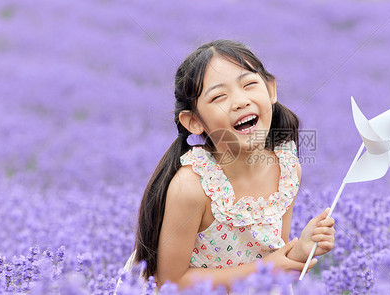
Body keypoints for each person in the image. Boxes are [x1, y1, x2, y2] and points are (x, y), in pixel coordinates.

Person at [123, 39, 335, 293]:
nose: (240, 101)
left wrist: (301, 248)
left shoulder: (287, 171)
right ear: (193, 121)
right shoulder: (192, 187)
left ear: (271, 90)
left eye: (249, 84)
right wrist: (265, 267)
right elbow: (172, 281)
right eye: (219, 96)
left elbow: (273, 251)